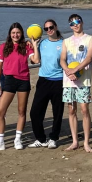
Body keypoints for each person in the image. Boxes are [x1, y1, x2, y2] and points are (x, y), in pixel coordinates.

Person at [0, 23, 40, 151]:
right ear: (10, 34)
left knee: (21, 112)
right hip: (9, 81)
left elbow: (36, 60)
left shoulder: (26, 46)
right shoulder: (4, 47)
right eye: (13, 33)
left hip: (23, 81)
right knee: (0, 112)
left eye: (18, 33)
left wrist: (34, 45)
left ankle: (17, 139)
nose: (15, 35)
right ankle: (0, 142)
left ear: (21, 33)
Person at [60, 14, 92, 153]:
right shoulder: (66, 41)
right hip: (69, 81)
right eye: (72, 23)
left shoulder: (89, 39)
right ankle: (75, 141)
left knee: (84, 110)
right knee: (71, 110)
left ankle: (86, 142)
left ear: (82, 22)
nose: (75, 25)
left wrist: (76, 69)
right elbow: (62, 59)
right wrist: (68, 70)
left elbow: (89, 57)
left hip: (83, 80)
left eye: (77, 22)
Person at [28, 19, 64, 149]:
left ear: (56, 26)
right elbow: (36, 60)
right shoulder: (42, 43)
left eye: (51, 27)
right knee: (35, 112)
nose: (49, 30)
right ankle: (41, 139)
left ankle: (53, 138)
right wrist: (34, 46)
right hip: (43, 81)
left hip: (59, 81)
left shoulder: (64, 43)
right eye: (46, 29)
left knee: (57, 112)